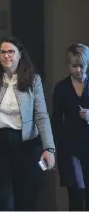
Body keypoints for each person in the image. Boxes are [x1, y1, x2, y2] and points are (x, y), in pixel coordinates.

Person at [0, 36, 56, 210]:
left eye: (11, 52)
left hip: (26, 144)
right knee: (1, 199)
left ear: (20, 55)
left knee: (26, 197)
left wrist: (49, 148)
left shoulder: (33, 79)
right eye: (2, 52)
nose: (6, 56)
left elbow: (41, 115)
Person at [52, 43, 89, 211]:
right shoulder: (61, 88)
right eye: (75, 66)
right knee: (75, 194)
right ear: (68, 66)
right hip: (70, 147)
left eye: (82, 66)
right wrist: (54, 147)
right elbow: (56, 120)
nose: (79, 70)